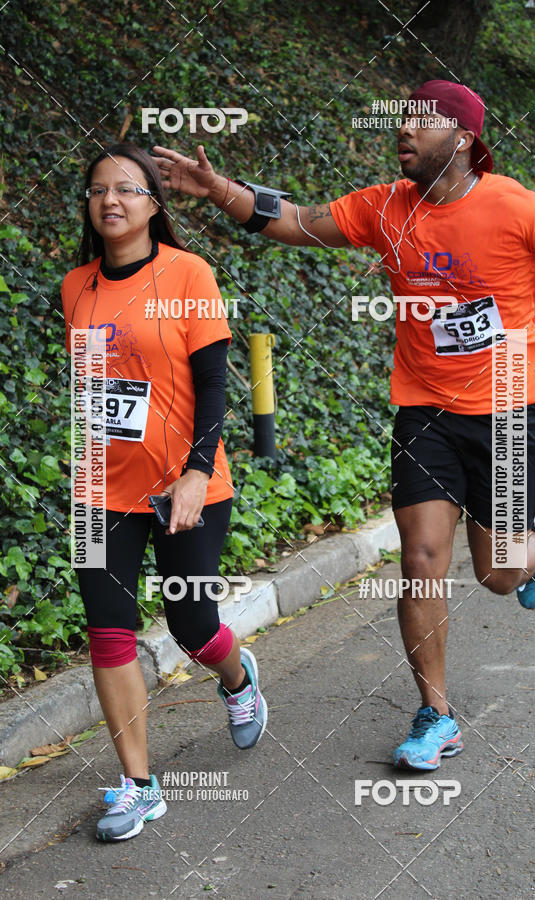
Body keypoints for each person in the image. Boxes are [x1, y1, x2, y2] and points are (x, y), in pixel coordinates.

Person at [153, 79, 535, 772]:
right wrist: (218, 190)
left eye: (421, 121)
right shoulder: (384, 207)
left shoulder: (518, 209)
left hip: (508, 405)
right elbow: (293, 220)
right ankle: (436, 714)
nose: (403, 131)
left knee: (501, 576)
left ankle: (528, 539)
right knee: (419, 562)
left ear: (462, 140)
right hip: (423, 408)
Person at [62, 143, 267, 841]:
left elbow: (212, 384)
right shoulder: (75, 287)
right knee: (107, 630)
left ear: (154, 202)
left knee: (191, 625)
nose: (110, 200)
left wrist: (197, 471)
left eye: (126, 188)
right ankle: (139, 785)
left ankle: (238, 680)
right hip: (101, 488)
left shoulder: (188, 273)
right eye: (97, 190)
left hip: (187, 487)